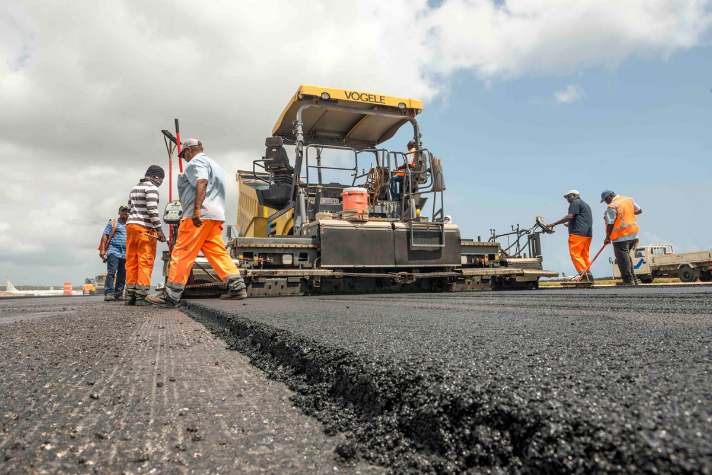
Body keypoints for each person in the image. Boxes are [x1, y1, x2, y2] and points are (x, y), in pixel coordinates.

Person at [146, 139, 247, 307]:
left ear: (190, 150)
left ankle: (171, 296)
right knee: (217, 252)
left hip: (198, 217)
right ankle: (237, 286)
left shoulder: (195, 163)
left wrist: (196, 210)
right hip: (214, 216)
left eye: (184, 154)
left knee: (181, 253)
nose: (184, 158)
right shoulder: (215, 165)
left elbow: (202, 182)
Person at [125, 165, 167, 305]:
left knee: (131, 261)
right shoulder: (152, 188)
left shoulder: (134, 188)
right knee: (145, 260)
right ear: (155, 177)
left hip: (131, 227)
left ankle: (130, 296)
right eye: (161, 178)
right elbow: (152, 210)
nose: (161, 181)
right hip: (144, 229)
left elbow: (130, 208)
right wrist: (159, 230)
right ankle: (142, 296)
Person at [546, 190, 594, 282]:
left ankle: (583, 275)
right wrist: (571, 224)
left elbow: (570, 216)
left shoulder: (575, 202)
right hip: (587, 234)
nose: (567, 199)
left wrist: (554, 224)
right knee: (584, 255)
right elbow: (583, 219)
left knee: (575, 254)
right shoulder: (585, 204)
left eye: (568, 196)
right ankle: (588, 276)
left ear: (575, 196)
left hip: (577, 233)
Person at [601, 190, 642, 286]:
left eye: (606, 199)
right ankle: (634, 279)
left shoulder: (612, 206)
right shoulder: (628, 199)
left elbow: (610, 223)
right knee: (626, 257)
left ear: (610, 195)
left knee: (622, 258)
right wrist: (626, 213)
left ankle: (628, 280)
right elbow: (639, 211)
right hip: (633, 233)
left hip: (621, 235)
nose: (606, 202)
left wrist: (607, 237)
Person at [98, 205, 129, 301]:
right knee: (111, 272)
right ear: (119, 212)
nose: (124, 212)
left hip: (126, 252)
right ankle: (109, 293)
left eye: (126, 211)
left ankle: (119, 294)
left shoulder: (131, 225)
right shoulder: (113, 223)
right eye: (122, 211)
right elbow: (105, 236)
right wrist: (103, 250)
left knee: (122, 273)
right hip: (114, 251)